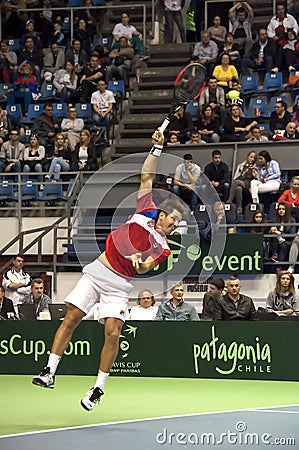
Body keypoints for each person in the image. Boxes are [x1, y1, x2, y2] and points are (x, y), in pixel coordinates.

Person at [32, 129, 186, 411]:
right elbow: (146, 177)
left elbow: (147, 265)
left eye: (178, 222)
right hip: (97, 272)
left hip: (120, 285)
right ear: (162, 214)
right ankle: (49, 371)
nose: (175, 224)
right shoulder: (145, 208)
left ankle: (97, 389)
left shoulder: (164, 246)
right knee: (71, 318)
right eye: (174, 219)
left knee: (113, 332)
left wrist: (141, 262)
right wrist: (156, 149)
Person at [227, 150, 257, 215]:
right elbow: (236, 177)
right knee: (238, 189)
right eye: (251, 157)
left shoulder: (255, 167)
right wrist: (243, 173)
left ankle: (230, 199)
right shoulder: (241, 166)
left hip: (249, 184)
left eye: (254, 158)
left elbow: (257, 180)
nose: (252, 159)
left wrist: (254, 175)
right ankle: (239, 208)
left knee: (236, 182)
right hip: (241, 182)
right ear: (248, 157)